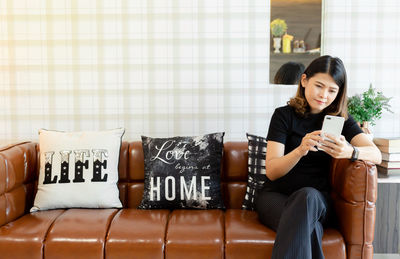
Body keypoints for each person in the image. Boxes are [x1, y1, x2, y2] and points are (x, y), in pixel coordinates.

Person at [256, 55, 381, 259]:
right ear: (304, 81)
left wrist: (350, 151)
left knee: (308, 196)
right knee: (308, 227)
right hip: (276, 197)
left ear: (339, 93)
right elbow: (272, 171)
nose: (324, 95)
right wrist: (300, 150)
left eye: (332, 90)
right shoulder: (283, 116)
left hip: (316, 201)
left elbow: (375, 154)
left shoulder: (343, 121)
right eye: (319, 86)